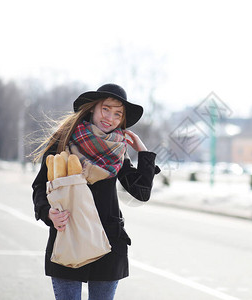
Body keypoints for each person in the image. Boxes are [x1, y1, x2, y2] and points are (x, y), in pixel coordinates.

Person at [31, 83, 159, 300]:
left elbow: (141, 192)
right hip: (68, 235)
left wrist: (143, 152)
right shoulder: (62, 141)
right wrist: (48, 213)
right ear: (92, 108)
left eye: (118, 114)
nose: (110, 117)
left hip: (108, 242)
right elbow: (40, 186)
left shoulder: (118, 152)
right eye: (106, 109)